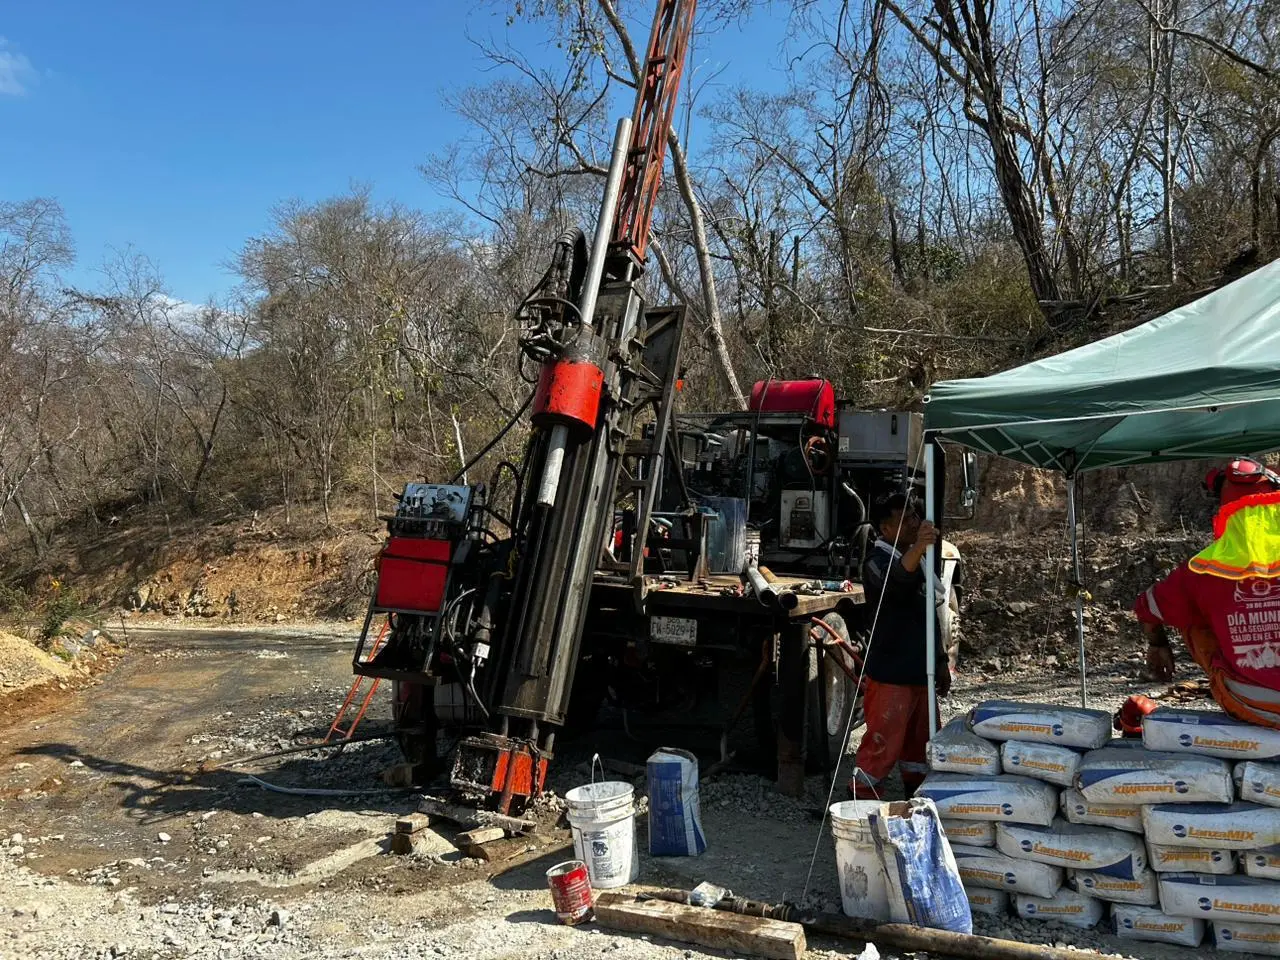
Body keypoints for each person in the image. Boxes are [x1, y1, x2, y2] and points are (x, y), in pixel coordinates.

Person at [1134, 458, 1280, 727]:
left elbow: (1148, 607)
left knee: (1190, 616)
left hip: (1252, 703)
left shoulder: (1202, 569)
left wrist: (1157, 645)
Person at [848, 491, 952, 800]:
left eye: (915, 517)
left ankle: (917, 796)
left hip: (921, 671)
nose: (914, 524)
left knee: (922, 745)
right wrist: (919, 547)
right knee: (882, 742)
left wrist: (941, 659)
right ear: (886, 529)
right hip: (891, 673)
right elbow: (895, 585)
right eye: (905, 520)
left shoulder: (919, 562)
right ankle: (861, 801)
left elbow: (930, 614)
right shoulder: (876, 562)